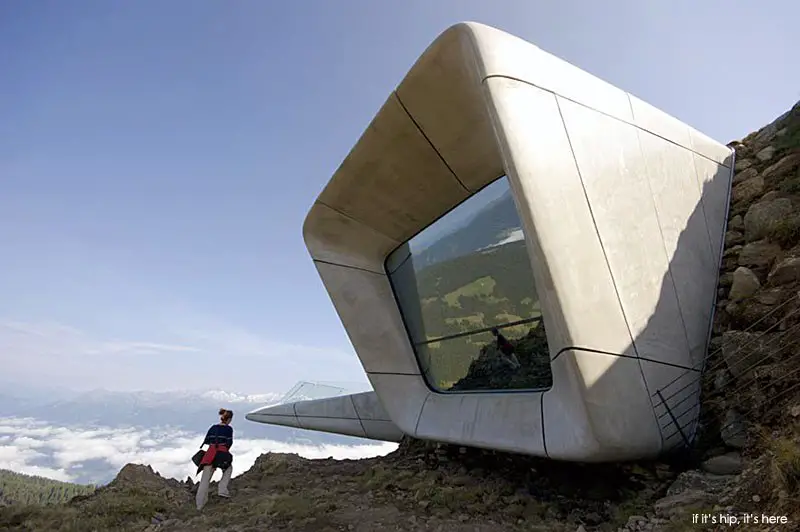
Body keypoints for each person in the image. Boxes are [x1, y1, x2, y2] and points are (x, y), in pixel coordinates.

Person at [195, 408, 234, 510]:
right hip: (221, 454)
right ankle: (222, 490)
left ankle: (200, 504)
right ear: (229, 419)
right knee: (228, 469)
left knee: (204, 480)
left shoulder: (213, 428)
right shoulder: (229, 429)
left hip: (210, 454)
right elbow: (229, 443)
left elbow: (207, 440)